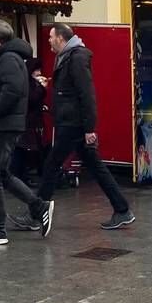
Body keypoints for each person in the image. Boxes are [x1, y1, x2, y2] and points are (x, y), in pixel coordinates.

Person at [15, 23, 135, 231]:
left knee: (52, 164)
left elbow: (86, 93)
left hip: (73, 123)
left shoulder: (76, 58)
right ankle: (122, 209)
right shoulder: (67, 57)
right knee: (95, 166)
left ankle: (36, 214)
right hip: (71, 122)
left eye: (51, 37)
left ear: (61, 38)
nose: (49, 40)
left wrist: (89, 128)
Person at [0, 19, 53, 247]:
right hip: (4, 125)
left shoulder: (7, 59)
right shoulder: (9, 58)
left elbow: (13, 91)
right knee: (2, 174)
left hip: (2, 126)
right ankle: (39, 207)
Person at [9, 57, 48, 183]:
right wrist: (42, 88)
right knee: (22, 148)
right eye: (37, 70)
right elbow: (32, 99)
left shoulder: (29, 82)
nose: (39, 73)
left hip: (30, 121)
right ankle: (18, 177)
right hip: (26, 121)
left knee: (25, 148)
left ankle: (21, 176)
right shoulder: (27, 84)